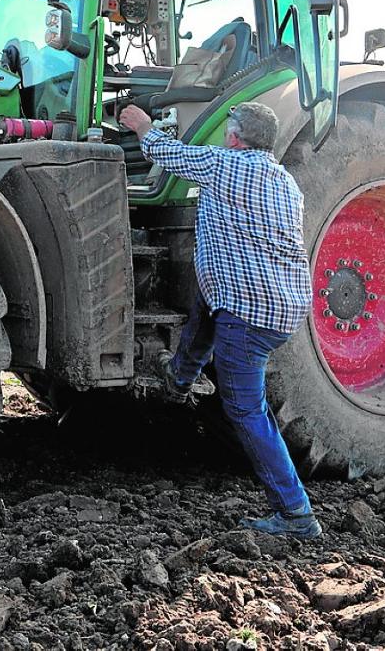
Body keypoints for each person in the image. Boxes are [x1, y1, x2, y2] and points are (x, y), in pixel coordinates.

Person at [117, 101, 319, 538]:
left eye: (227, 129)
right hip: (281, 307)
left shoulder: (224, 166)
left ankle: (296, 513)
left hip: (249, 314)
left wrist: (141, 125)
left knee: (247, 411)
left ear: (233, 137)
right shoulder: (286, 181)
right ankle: (179, 379)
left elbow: (167, 154)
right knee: (208, 307)